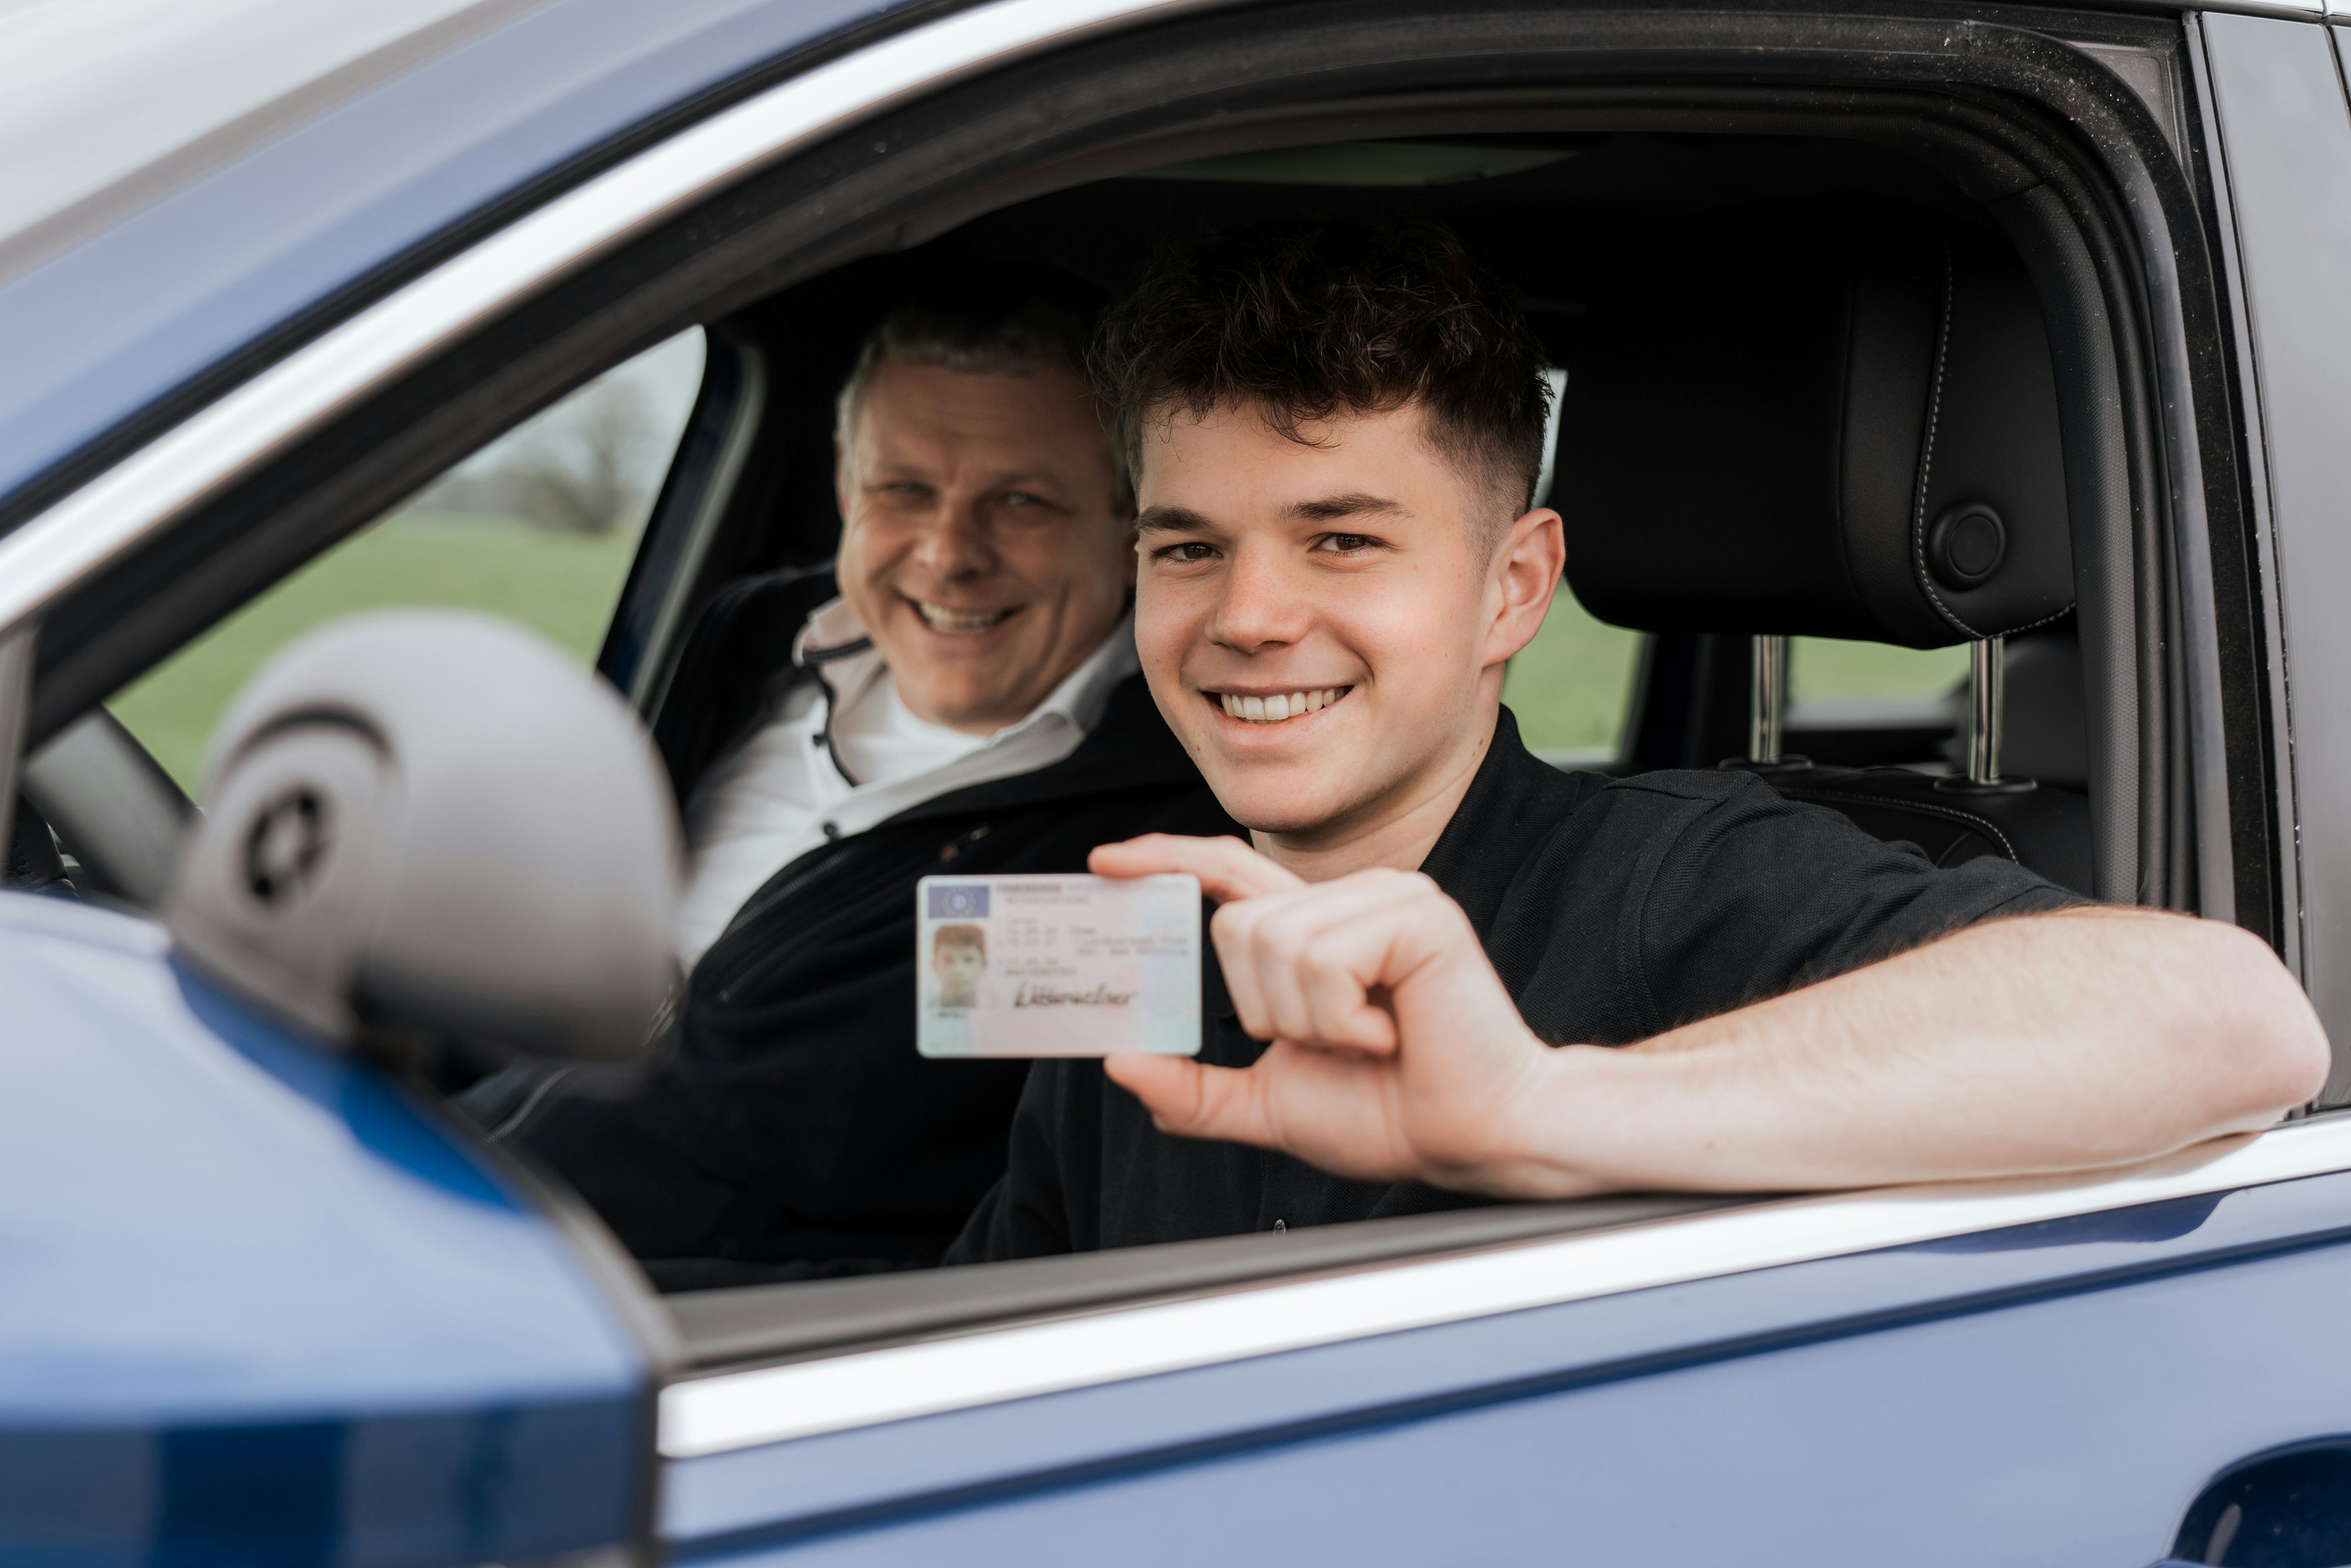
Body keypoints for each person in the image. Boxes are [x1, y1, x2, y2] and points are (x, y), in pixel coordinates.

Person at [948, 223, 2329, 1260]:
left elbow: (2232, 1024)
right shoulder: (1139, 944)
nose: (1244, 616)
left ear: (1513, 588)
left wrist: (1534, 1109)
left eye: (1342, 539)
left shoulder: (1671, 881)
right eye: (1188, 546)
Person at [481, 276, 1236, 1288]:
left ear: (1127, 524)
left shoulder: (1170, 825)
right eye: (904, 491)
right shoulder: (743, 639)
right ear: (846, 489)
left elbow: (913, 1182)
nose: (948, 554)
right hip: (447, 1185)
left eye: (1022, 501)